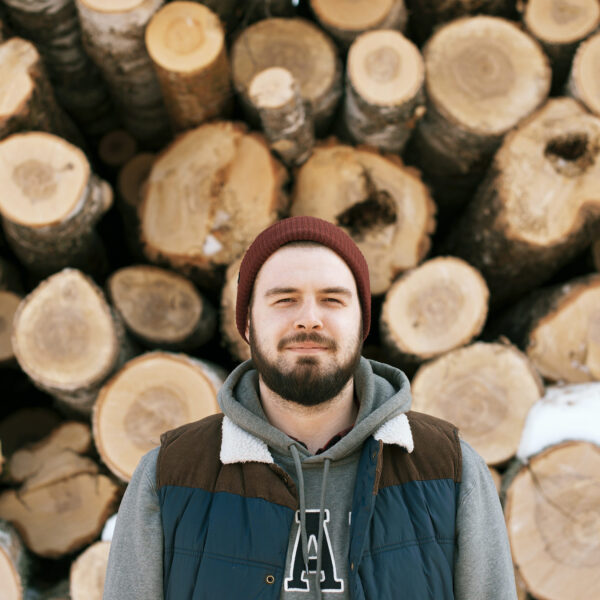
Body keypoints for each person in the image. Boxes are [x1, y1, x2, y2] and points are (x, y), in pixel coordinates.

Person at [104, 216, 517, 600]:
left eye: (332, 300)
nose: (309, 319)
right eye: (284, 300)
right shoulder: (170, 477)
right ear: (247, 324)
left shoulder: (448, 469)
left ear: (362, 324)